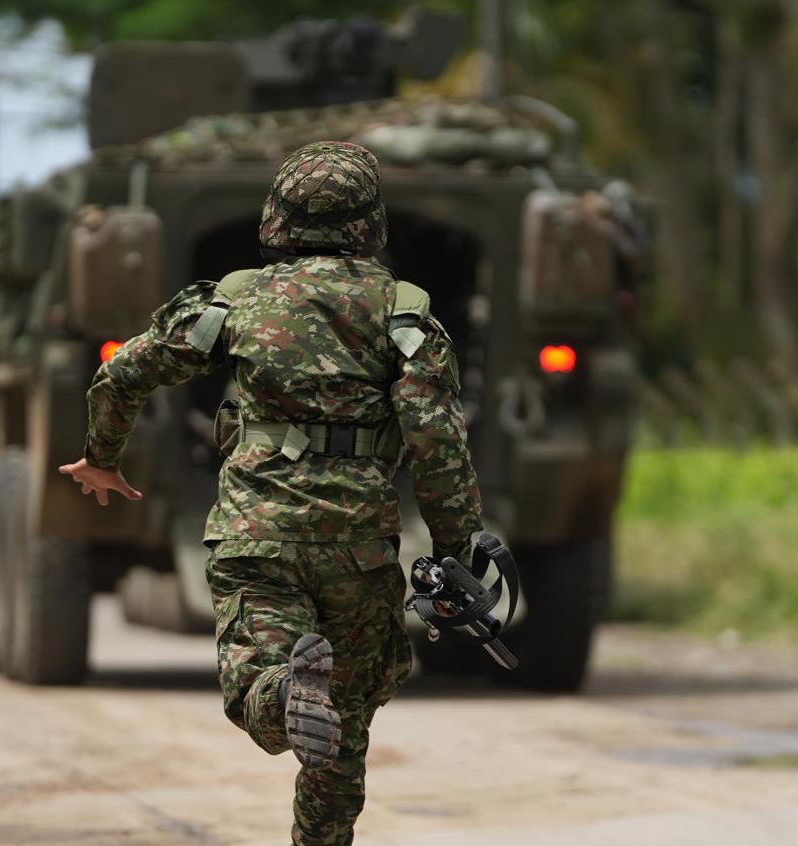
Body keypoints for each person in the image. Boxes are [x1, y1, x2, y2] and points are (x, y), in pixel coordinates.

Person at [59, 141, 483, 845]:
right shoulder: (405, 315)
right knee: (341, 735)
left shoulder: (236, 300)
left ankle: (284, 695)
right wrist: (454, 548)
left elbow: (122, 375)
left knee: (258, 675)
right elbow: (435, 440)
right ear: (369, 222)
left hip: (258, 535)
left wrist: (102, 457)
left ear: (277, 217)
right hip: (358, 545)